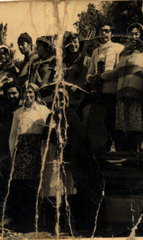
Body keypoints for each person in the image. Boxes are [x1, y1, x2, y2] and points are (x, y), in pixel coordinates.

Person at [100, 22, 143, 151]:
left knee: (141, 129)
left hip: (139, 96)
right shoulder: (124, 53)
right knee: (128, 130)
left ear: (142, 35)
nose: (133, 37)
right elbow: (117, 71)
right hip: (123, 96)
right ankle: (131, 162)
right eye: (131, 34)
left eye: (136, 34)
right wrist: (100, 76)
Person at [40, 88, 87, 232]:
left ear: (66, 100)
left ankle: (69, 222)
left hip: (69, 156)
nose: (59, 102)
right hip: (54, 156)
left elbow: (81, 136)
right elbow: (44, 136)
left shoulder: (71, 114)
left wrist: (67, 144)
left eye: (62, 99)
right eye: (56, 100)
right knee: (54, 188)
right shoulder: (50, 116)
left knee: (68, 187)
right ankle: (54, 222)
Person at [7, 83, 50, 232]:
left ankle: (35, 222)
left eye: (31, 92)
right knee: (21, 187)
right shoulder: (18, 112)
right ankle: (21, 221)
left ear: (36, 93)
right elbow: (13, 136)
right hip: (22, 152)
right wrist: (13, 154)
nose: (28, 95)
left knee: (36, 186)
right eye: (25, 92)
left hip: (38, 150)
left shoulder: (44, 110)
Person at [86, 22, 125, 151]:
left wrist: (102, 77)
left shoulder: (118, 48)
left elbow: (120, 70)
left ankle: (121, 153)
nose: (104, 34)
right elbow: (89, 73)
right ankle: (105, 154)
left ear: (111, 33)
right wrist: (91, 78)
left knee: (115, 124)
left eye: (107, 31)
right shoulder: (95, 52)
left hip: (113, 93)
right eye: (101, 31)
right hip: (99, 93)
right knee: (102, 124)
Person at [63, 32, 90, 111]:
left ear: (80, 43)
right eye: (70, 42)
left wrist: (78, 86)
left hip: (83, 97)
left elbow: (89, 79)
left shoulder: (88, 60)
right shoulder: (66, 62)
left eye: (75, 42)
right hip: (69, 96)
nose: (72, 44)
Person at [29, 36, 56, 103]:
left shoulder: (53, 62)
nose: (36, 48)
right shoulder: (36, 61)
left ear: (46, 47)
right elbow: (32, 81)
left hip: (49, 98)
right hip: (37, 97)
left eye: (39, 46)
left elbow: (43, 84)